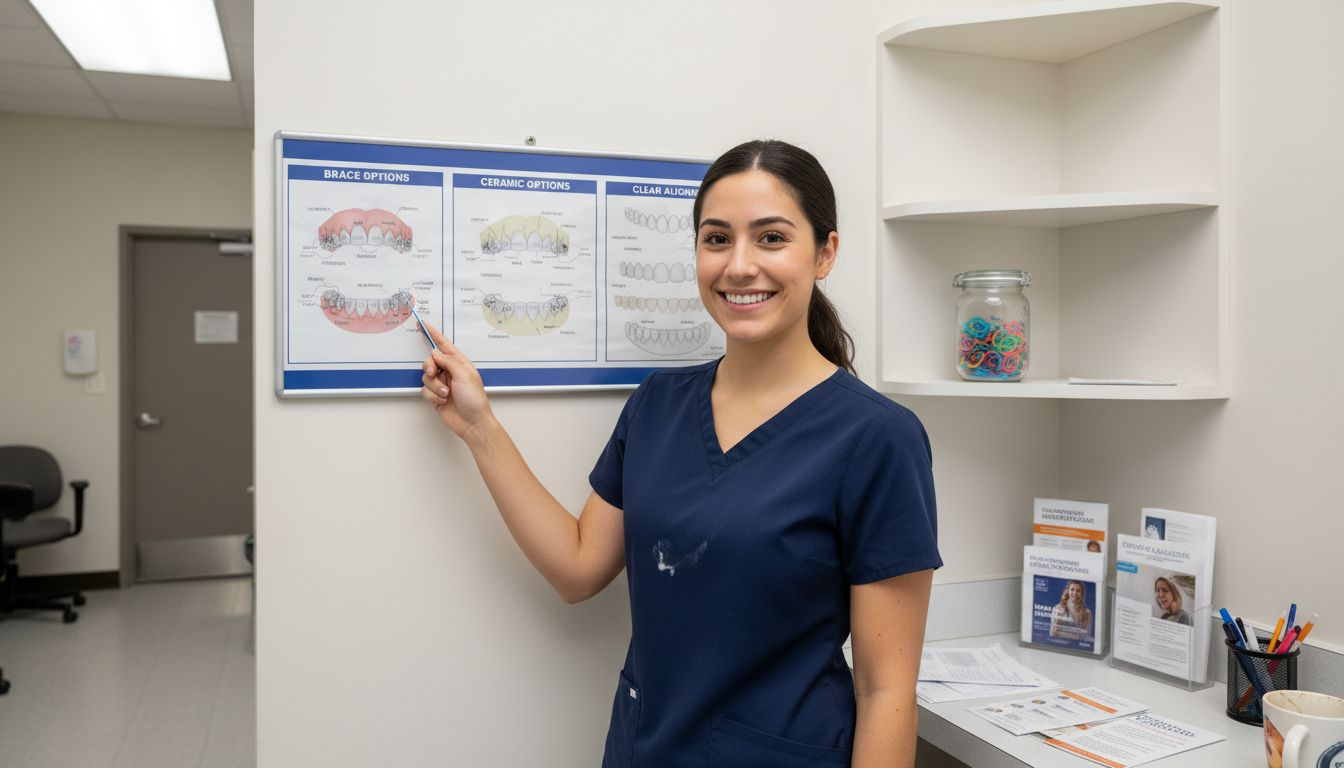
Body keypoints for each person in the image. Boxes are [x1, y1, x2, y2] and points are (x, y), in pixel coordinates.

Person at [419, 139, 941, 767]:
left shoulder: (876, 437)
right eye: (716, 239)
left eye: (771, 238)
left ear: (826, 252)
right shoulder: (658, 406)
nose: (739, 265)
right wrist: (480, 429)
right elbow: (578, 568)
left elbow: (885, 689)